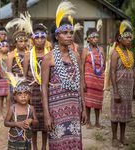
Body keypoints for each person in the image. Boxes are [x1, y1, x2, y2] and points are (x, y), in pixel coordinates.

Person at [41, 1, 86, 149]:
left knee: (73, 141)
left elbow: (79, 82)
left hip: (73, 106)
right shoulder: (49, 58)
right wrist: (47, 115)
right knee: (58, 142)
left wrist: (83, 107)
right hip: (56, 108)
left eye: (71, 33)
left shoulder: (76, 55)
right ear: (57, 35)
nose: (69, 36)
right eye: (65, 33)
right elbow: (44, 87)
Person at [110, 20, 135, 148]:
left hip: (128, 89)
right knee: (116, 114)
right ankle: (114, 138)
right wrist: (115, 91)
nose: (129, 39)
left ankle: (122, 136)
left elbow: (132, 72)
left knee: (125, 114)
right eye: (127, 37)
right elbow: (112, 72)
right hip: (118, 89)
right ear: (120, 38)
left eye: (131, 37)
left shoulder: (130, 54)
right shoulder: (115, 53)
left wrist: (134, 90)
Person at [23, 23, 49, 150]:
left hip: (46, 92)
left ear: (46, 38)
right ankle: (34, 147)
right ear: (33, 39)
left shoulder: (49, 54)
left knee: (45, 122)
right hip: (32, 92)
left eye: (42, 37)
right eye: (37, 37)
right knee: (33, 122)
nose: (40, 40)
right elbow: (24, 76)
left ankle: (44, 147)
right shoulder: (28, 55)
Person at [82, 25, 105, 129]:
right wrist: (83, 82)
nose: (96, 39)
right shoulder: (85, 51)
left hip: (99, 79)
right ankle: (88, 122)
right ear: (88, 39)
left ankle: (97, 122)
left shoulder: (101, 49)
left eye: (97, 37)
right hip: (88, 80)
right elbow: (81, 67)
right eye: (93, 37)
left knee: (98, 101)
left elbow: (104, 63)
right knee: (88, 101)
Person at [4, 80, 38, 150]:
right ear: (15, 97)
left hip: (27, 140)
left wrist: (31, 120)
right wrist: (17, 124)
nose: (23, 97)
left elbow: (36, 122)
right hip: (14, 140)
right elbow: (6, 123)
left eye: (26, 94)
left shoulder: (31, 108)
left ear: (29, 96)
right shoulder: (12, 109)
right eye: (20, 94)